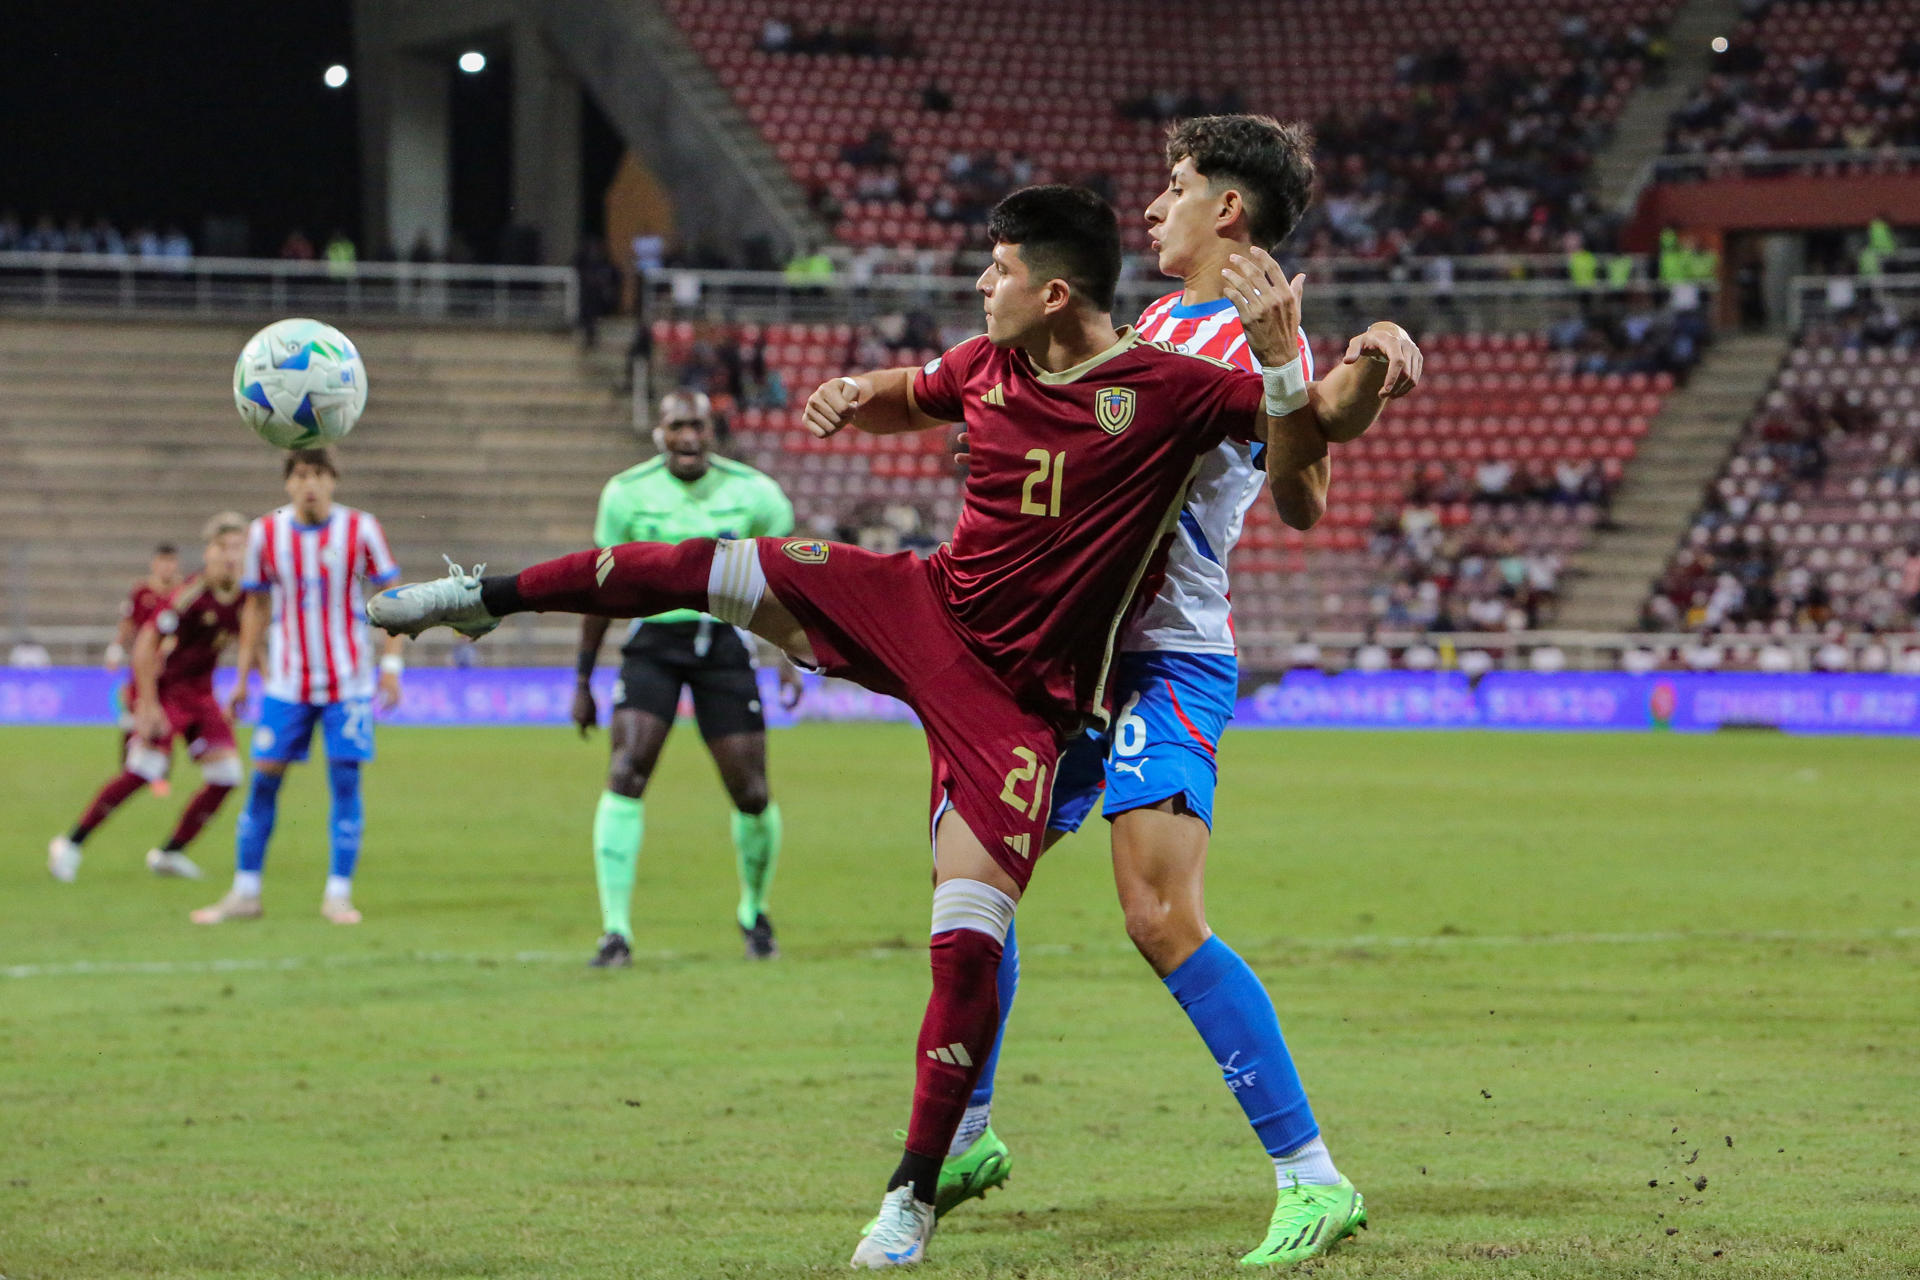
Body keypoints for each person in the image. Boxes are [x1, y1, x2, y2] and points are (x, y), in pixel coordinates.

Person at [369, 184, 1386, 1268]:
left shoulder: (1174, 375)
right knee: (707, 567)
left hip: (1037, 695)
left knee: (979, 932)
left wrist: (1364, 352)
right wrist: (858, 391)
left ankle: (917, 1192)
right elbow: (921, 388)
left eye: (995, 270)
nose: (978, 284)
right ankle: (484, 595)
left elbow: (1310, 432)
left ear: (1050, 291)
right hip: (920, 606)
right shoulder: (1005, 357)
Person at [950, 116, 1420, 1268]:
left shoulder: (1248, 337)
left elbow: (1306, 471)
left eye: (1175, 188)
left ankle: (1314, 1176)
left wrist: (1366, 354)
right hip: (1080, 658)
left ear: (1230, 213)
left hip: (1165, 654)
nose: (1152, 208)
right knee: (974, 871)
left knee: (1158, 913)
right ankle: (965, 1131)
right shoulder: (1158, 321)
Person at [573, 390, 805, 967]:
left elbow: (790, 584)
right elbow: (601, 587)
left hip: (724, 643)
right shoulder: (626, 494)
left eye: (697, 425)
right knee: (626, 772)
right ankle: (615, 931)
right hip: (652, 642)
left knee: (751, 792)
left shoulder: (756, 494)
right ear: (659, 432)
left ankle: (755, 911)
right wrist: (582, 679)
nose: (687, 437)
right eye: (676, 426)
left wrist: (789, 657)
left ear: (712, 431)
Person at [191, 450, 403, 926]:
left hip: (348, 681)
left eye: (320, 475)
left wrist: (392, 666)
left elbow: (392, 598)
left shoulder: (362, 529)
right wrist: (244, 677)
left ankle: (338, 894)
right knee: (263, 780)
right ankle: (246, 893)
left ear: (334, 481)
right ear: (288, 484)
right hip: (286, 683)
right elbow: (255, 609)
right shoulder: (266, 533)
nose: (310, 484)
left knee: (345, 783)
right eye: (301, 475)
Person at [48, 514, 250, 882]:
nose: (231, 556)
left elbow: (252, 639)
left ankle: (170, 854)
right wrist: (147, 704)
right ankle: (70, 844)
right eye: (223, 547)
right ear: (208, 552)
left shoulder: (245, 595)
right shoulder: (189, 595)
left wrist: (246, 682)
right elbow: (144, 645)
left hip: (201, 697)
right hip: (166, 691)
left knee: (227, 774)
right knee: (145, 770)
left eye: (239, 547)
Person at [106, 542, 182, 772]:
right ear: (154, 564)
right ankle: (127, 768)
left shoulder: (183, 592)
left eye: (171, 563)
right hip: (143, 664)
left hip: (173, 668)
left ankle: (161, 773)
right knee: (133, 714)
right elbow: (128, 623)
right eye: (162, 562)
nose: (166, 568)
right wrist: (116, 648)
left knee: (169, 717)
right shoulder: (141, 591)